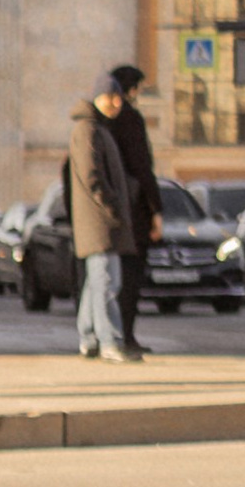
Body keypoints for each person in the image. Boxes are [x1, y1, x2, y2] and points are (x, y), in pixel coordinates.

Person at [66, 82, 143, 363]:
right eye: (109, 98)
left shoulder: (97, 128)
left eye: (118, 98)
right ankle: (110, 341)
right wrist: (112, 207)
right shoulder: (88, 129)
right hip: (99, 220)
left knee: (96, 283)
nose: (115, 104)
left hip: (100, 219)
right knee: (108, 282)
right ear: (96, 97)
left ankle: (89, 338)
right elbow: (91, 176)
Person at [104, 64, 159, 351]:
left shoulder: (104, 121)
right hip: (134, 210)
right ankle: (126, 335)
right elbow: (142, 167)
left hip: (111, 209)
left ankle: (113, 334)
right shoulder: (131, 120)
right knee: (131, 275)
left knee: (112, 277)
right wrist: (156, 208)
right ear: (132, 89)